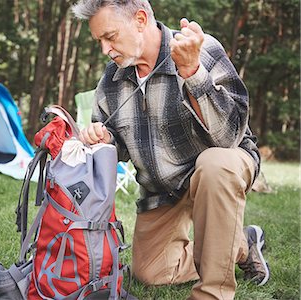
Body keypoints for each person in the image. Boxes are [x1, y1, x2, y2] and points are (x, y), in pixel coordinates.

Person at [71, 1, 270, 299]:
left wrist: (192, 72)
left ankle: (212, 292)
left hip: (220, 167)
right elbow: (117, 144)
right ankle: (240, 244)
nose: (105, 49)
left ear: (140, 19)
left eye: (110, 37)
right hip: (164, 187)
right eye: (99, 41)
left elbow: (230, 136)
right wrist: (104, 139)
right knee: (152, 273)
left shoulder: (201, 49)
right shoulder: (111, 81)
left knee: (215, 164)